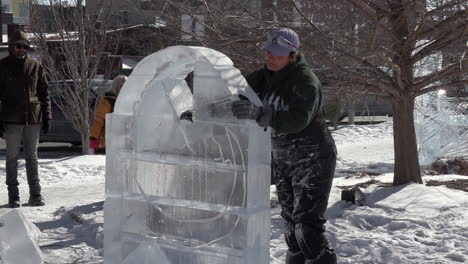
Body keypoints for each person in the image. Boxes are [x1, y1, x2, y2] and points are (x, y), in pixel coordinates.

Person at [232, 28, 337, 264]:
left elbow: (297, 120)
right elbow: (231, 97)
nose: (270, 58)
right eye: (268, 52)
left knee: (306, 228)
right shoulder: (261, 78)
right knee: (290, 226)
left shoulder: (305, 81)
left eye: (277, 55)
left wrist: (260, 114)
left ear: (292, 55)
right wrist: (201, 112)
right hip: (283, 158)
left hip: (314, 158)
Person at [0, 31, 51, 208]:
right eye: (18, 46)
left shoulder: (36, 67)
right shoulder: (3, 66)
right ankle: (13, 196)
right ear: (12, 46)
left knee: (32, 158)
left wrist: (47, 118)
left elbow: (44, 95)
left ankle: (35, 195)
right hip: (11, 120)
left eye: (25, 46)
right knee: (12, 158)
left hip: (33, 119)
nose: (22, 49)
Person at [89, 74, 127, 153]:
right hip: (110, 143)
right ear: (116, 88)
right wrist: (94, 139)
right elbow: (98, 121)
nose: (124, 88)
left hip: (127, 143)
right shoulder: (108, 102)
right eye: (121, 86)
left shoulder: (130, 102)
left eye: (126, 86)